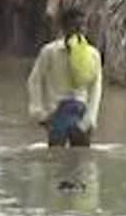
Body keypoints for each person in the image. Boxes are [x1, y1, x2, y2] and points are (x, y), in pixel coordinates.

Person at [27, 8, 102, 148]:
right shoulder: (49, 52)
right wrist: (39, 113)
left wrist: (90, 119)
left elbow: (95, 88)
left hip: (81, 112)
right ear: (64, 28)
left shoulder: (93, 54)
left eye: (83, 26)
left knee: (82, 160)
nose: (79, 31)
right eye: (75, 26)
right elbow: (35, 81)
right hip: (56, 112)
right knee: (55, 158)